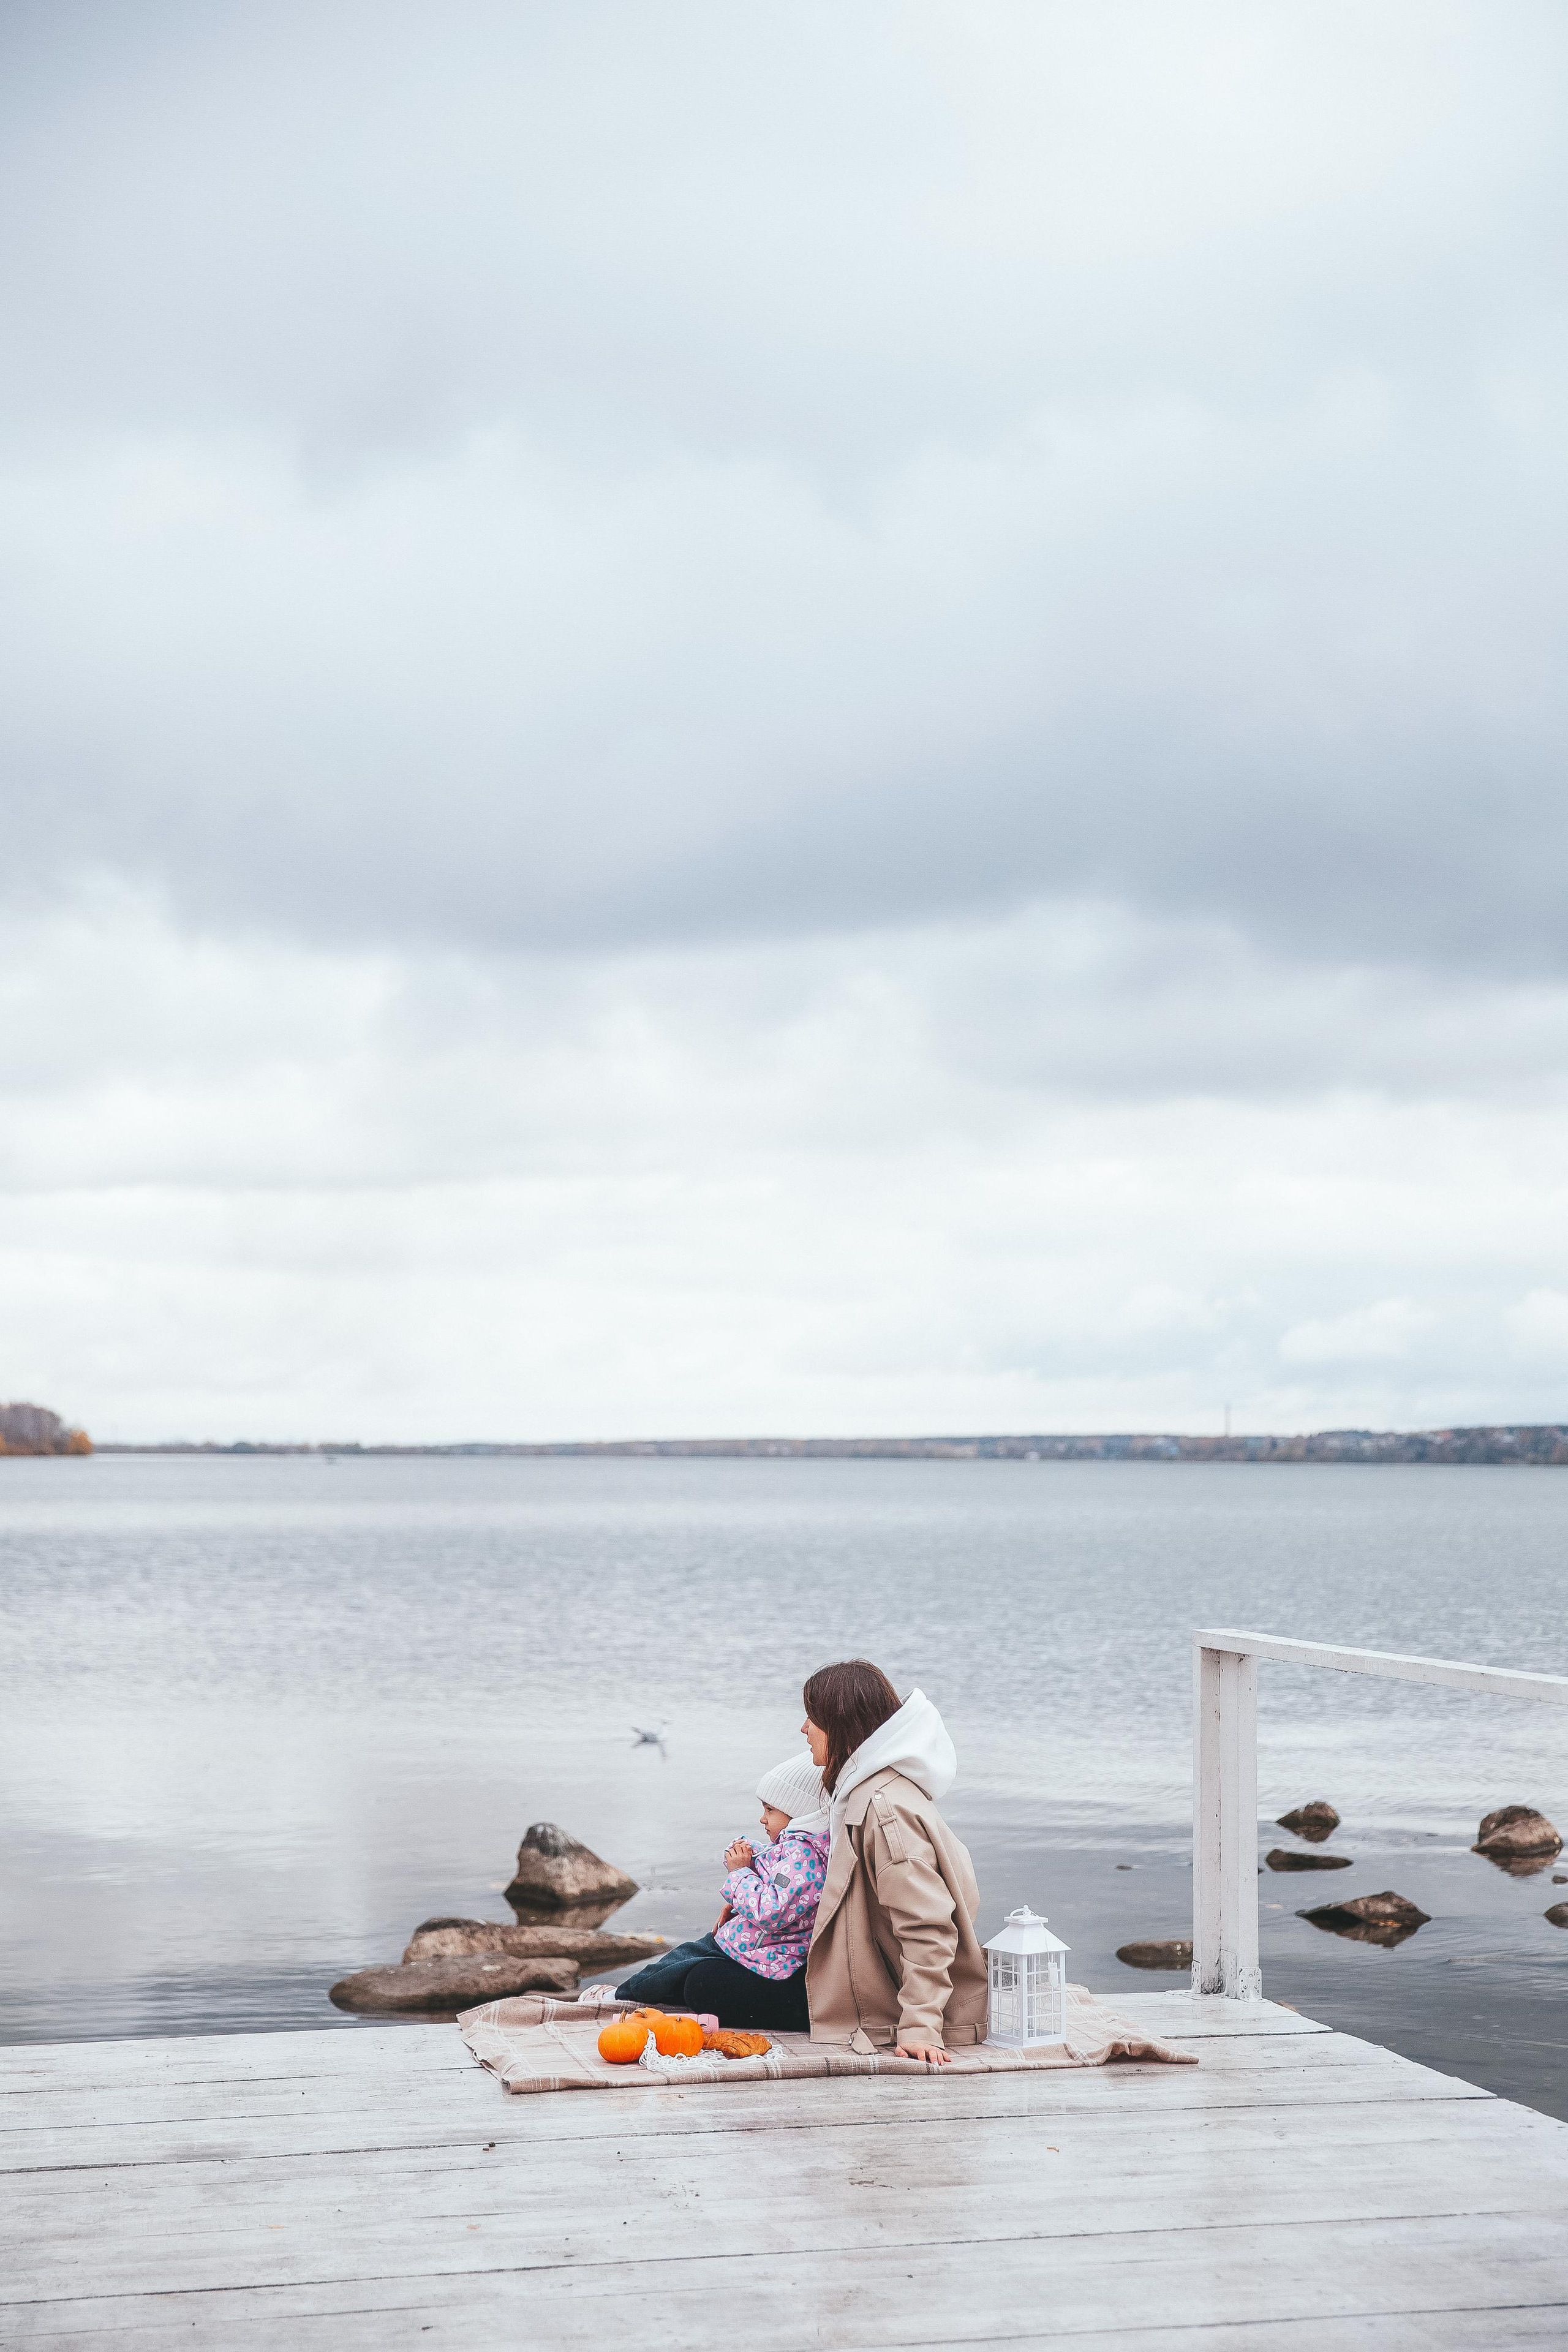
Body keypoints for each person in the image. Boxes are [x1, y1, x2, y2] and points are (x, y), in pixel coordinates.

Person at [800, 1659, 987, 2065]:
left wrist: (920, 2026)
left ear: (840, 1724)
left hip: (877, 2004)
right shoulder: (867, 1791)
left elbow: (930, 1926)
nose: (803, 1729)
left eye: (812, 1718)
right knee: (701, 1962)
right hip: (865, 1979)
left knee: (701, 1982)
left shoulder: (885, 1810)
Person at [613, 1753, 827, 2027]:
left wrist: (740, 1873)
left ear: (800, 1812)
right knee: (686, 1957)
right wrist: (753, 1854)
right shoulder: (795, 1847)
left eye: (770, 1811)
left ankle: (623, 1996)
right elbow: (781, 1873)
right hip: (752, 1946)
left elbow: (772, 1911)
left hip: (768, 1955)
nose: (763, 1819)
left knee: (694, 1971)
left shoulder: (804, 1854)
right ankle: (627, 1993)